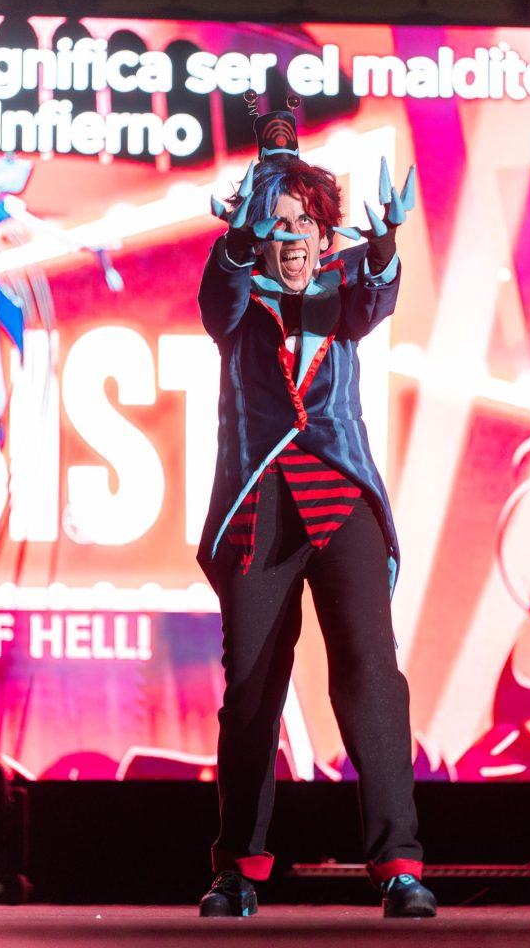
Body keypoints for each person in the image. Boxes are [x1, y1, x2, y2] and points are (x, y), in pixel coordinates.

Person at [196, 107, 436, 919]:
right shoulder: (235, 301)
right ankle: (237, 869)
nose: (291, 238)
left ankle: (398, 866)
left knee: (371, 674)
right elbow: (222, 288)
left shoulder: (342, 292)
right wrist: (239, 237)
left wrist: (386, 242)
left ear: (326, 234)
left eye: (303, 223)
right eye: (275, 225)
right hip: (260, 507)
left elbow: (375, 296)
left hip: (341, 503)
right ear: (253, 236)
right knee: (252, 689)